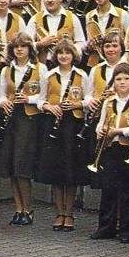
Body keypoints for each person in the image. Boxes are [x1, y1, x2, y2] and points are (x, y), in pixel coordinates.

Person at [0, 33, 46, 225]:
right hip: (11, 119)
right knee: (12, 166)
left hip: (29, 120)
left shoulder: (40, 69)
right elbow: (0, 95)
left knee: (22, 166)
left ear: (30, 49)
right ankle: (18, 208)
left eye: (23, 47)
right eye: (16, 47)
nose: (19, 50)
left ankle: (28, 208)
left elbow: (45, 96)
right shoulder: (7, 69)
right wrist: (4, 102)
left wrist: (29, 99)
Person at [36, 40, 87, 231]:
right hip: (54, 123)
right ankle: (59, 213)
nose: (64, 56)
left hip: (73, 124)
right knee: (56, 170)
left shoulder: (82, 75)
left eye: (68, 53)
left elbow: (89, 98)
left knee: (71, 170)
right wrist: (49, 106)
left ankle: (70, 213)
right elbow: (40, 100)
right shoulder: (49, 75)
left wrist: (77, 104)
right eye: (60, 53)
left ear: (74, 56)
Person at [89, 62, 129, 243]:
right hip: (110, 147)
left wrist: (118, 132)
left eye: (127, 79)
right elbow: (100, 123)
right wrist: (101, 131)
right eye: (118, 79)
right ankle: (106, 227)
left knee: (127, 190)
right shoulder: (109, 102)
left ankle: (127, 230)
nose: (122, 82)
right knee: (108, 187)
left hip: (128, 148)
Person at [24, 0, 85, 66]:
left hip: (66, 65)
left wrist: (69, 49)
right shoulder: (34, 19)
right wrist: (40, 44)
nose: (50, 0)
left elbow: (81, 43)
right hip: (42, 67)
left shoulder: (72, 18)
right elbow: (25, 45)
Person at [82, 0, 129, 68]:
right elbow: (87, 46)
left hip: (118, 64)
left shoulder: (122, 14)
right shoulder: (89, 16)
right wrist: (89, 46)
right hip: (94, 64)